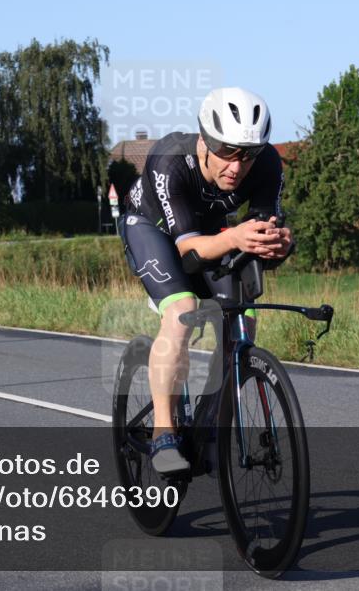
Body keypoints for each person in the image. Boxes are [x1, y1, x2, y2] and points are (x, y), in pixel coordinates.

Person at [118, 87, 293, 474]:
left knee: (243, 319)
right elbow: (186, 250)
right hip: (152, 228)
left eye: (247, 154)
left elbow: (263, 232)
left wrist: (278, 244)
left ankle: (211, 420)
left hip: (209, 230)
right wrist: (234, 237)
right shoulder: (171, 159)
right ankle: (164, 431)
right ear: (204, 142)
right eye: (228, 152)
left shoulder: (267, 164)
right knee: (182, 309)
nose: (238, 166)